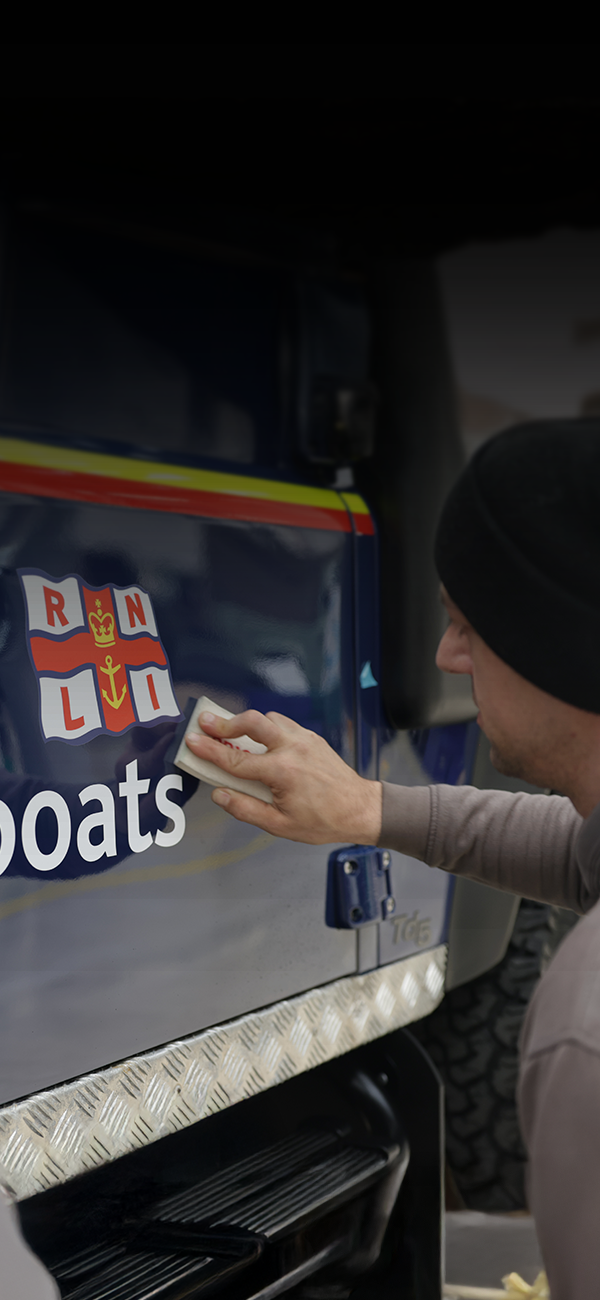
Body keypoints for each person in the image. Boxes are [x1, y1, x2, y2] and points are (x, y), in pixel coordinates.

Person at [185, 420, 600, 1298]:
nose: (446, 656)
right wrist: (366, 806)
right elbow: (579, 851)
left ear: (561, 648)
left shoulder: (587, 1023)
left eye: (468, 626)